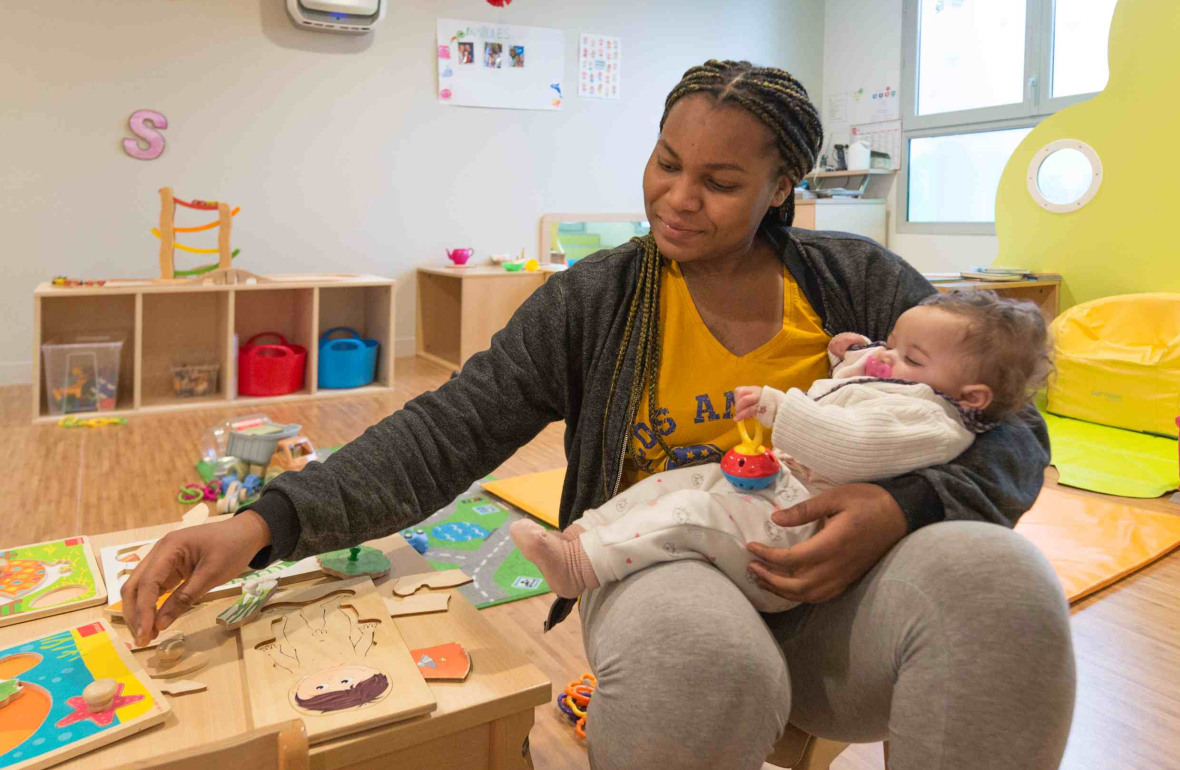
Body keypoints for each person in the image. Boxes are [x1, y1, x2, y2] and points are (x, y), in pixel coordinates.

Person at [121, 60, 1075, 768]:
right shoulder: (598, 302)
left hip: (844, 599)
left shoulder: (865, 286)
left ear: (784, 189)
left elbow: (1015, 432)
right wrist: (259, 522)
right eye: (667, 163)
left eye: (722, 181)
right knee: (705, 662)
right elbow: (449, 428)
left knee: (1000, 577)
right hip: (666, 568)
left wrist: (899, 510)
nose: (679, 198)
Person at [509, 290, 1053, 611]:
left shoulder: (933, 420)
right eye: (890, 342)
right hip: (773, 488)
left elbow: (851, 446)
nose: (888, 358)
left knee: (692, 513)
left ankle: (580, 566)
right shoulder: (916, 383)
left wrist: (779, 409)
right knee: (676, 483)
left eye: (909, 357)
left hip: (796, 535)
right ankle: (584, 532)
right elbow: (859, 388)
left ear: (971, 397)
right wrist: (856, 353)